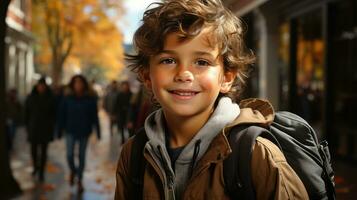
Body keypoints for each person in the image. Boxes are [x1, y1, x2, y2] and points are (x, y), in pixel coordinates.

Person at [115, 0, 308, 199]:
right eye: (168, 60)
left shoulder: (255, 155)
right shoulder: (134, 154)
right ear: (147, 76)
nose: (184, 74)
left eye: (201, 62)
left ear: (226, 78)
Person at [57, 75, 101, 193]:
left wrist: (98, 131)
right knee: (69, 155)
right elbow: (61, 114)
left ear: (84, 85)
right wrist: (59, 130)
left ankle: (80, 180)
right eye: (76, 83)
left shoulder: (90, 99)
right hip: (70, 131)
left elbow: (94, 116)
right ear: (72, 84)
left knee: (81, 156)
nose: (78, 85)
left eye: (80, 83)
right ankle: (73, 171)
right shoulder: (67, 98)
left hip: (84, 131)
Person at [25, 77, 56, 182]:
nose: (41, 88)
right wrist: (27, 126)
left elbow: (53, 114)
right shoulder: (31, 97)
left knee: (43, 152)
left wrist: (52, 127)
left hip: (45, 129)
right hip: (33, 128)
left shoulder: (51, 97)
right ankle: (35, 167)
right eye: (39, 86)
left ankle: (41, 171)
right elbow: (26, 113)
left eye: (43, 86)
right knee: (33, 150)